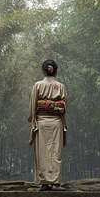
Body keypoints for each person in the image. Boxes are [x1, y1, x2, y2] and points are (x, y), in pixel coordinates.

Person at [28, 59, 67, 190]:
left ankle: (44, 183)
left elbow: (33, 105)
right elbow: (64, 107)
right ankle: (55, 183)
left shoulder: (37, 85)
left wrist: (33, 121)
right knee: (56, 152)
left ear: (43, 71)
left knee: (42, 152)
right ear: (55, 72)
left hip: (42, 122)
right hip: (56, 122)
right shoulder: (60, 86)